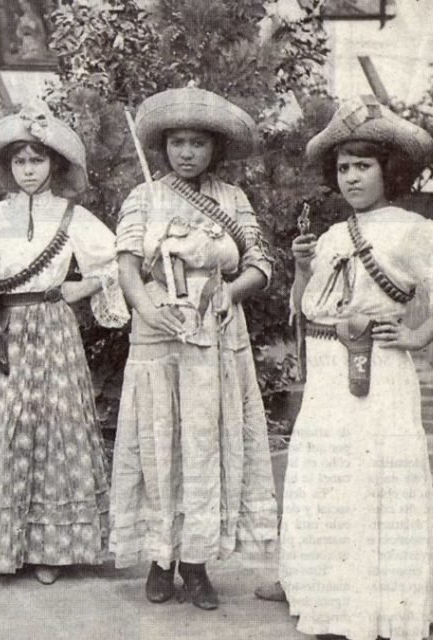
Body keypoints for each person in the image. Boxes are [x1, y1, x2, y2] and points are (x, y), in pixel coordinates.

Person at [257, 96, 433, 640]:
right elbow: (307, 306)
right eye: (343, 168)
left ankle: (369, 605)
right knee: (322, 475)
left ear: (391, 170)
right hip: (326, 374)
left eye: (363, 166)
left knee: (368, 478)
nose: (352, 178)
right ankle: (312, 586)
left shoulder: (413, 230)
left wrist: (417, 336)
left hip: (375, 372)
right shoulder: (334, 235)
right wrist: (301, 267)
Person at [110, 87, 278, 610]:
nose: (187, 152)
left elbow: (262, 264)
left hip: (216, 331)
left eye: (198, 143)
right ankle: (160, 561)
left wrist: (231, 291)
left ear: (215, 148)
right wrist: (146, 308)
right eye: (178, 142)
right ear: (164, 146)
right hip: (158, 333)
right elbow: (126, 268)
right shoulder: (144, 197)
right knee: (160, 439)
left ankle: (198, 564)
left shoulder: (232, 199)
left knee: (205, 442)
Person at [0, 104, 128, 585]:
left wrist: (81, 288)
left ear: (55, 164)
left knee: (52, 431)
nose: (28, 170)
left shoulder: (73, 215)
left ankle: (51, 549)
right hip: (3, 330)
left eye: (37, 160)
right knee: (6, 430)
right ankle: (2, 543)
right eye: (19, 161)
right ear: (7, 166)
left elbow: (116, 261)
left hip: (51, 329)